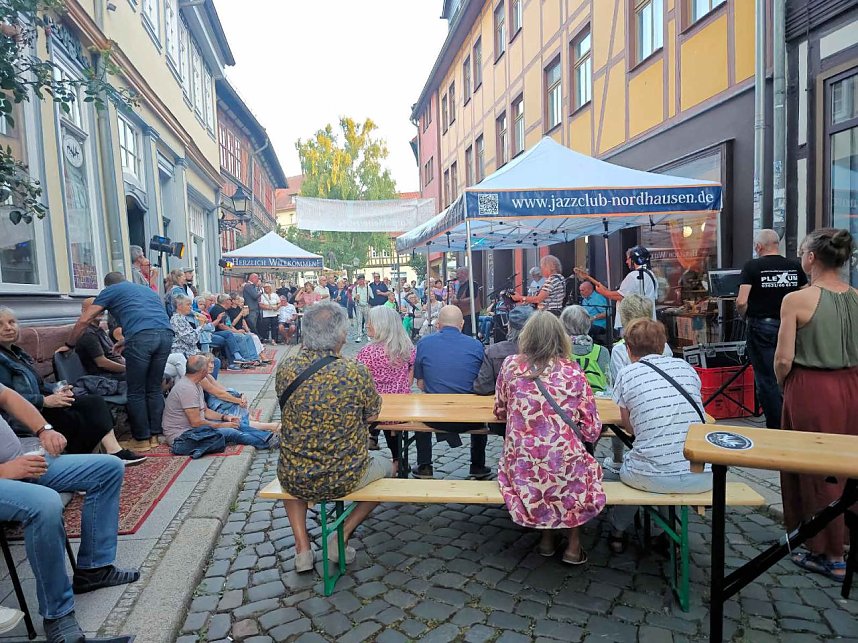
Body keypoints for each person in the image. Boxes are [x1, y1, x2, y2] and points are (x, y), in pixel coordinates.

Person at [0, 384, 139, 643]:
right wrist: (6, 471)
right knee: (45, 503)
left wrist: (44, 429)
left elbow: (7, 396)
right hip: (6, 473)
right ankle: (57, 614)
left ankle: (94, 569)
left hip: (22, 461)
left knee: (108, 467)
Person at [276, 302, 392, 572]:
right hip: (347, 473)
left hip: (296, 472)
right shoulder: (354, 372)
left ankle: (302, 548)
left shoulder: (286, 368)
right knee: (390, 467)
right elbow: (373, 414)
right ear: (341, 335)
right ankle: (341, 535)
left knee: (289, 478)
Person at [774, 228, 858, 582]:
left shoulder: (797, 300)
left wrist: (786, 385)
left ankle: (828, 551)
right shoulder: (857, 297)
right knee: (849, 467)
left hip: (812, 387)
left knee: (815, 471)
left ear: (811, 257)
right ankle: (846, 543)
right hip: (853, 385)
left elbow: (782, 359)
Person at [494, 311, 605, 564]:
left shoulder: (511, 365)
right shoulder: (573, 371)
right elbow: (590, 429)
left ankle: (546, 538)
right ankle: (573, 546)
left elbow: (500, 410)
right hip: (563, 461)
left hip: (522, 464)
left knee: (543, 469)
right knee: (576, 473)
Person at [608, 318, 711, 553]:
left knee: (638, 469)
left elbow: (630, 428)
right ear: (662, 344)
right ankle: (664, 532)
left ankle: (617, 530)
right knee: (666, 463)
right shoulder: (686, 369)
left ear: (628, 348)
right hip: (701, 473)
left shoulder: (628, 374)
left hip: (652, 475)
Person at [0, 307, 144, 464]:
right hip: (22, 417)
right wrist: (44, 401)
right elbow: (8, 399)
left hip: (40, 404)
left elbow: (38, 384)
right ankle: (81, 462)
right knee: (78, 416)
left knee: (93, 402)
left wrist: (58, 389)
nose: (8, 327)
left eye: (11, 322)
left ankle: (114, 451)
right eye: (0, 324)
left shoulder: (17, 353)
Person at [68, 272, 173, 450]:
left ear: (107, 285)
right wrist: (126, 340)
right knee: (154, 387)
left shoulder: (111, 291)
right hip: (166, 335)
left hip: (142, 338)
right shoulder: (145, 290)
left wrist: (69, 344)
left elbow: (85, 319)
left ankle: (142, 439)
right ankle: (157, 436)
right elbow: (150, 320)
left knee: (136, 390)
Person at [736, 229, 807, 429]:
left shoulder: (752, 266)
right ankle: (795, 422)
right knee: (793, 375)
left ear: (758, 247)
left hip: (762, 327)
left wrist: (745, 316)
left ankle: (777, 427)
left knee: (767, 379)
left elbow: (742, 301)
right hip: (792, 326)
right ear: (777, 244)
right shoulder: (794, 266)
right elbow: (806, 294)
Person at [412, 306, 491, 480]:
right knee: (480, 408)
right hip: (469, 419)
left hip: (435, 418)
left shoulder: (424, 343)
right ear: (462, 324)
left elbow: (420, 383)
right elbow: (482, 383)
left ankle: (424, 465)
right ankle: (477, 465)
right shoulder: (476, 345)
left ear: (438, 324)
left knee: (420, 410)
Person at [163, 355, 277, 458]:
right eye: (208, 367)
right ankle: (266, 442)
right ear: (203, 371)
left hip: (193, 430)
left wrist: (225, 417)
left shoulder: (195, 384)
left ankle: (269, 437)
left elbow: (206, 411)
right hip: (182, 437)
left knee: (236, 423)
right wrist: (222, 425)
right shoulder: (186, 388)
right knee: (232, 432)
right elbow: (196, 422)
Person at [356, 306, 416, 465]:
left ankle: (368, 452)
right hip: (400, 407)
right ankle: (398, 459)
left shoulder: (367, 352)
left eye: (371, 322)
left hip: (375, 409)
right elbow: (410, 378)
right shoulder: (407, 349)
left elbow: (360, 382)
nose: (367, 325)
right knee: (393, 430)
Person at [574, 245, 658, 330]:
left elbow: (619, 296)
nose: (626, 261)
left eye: (628, 258)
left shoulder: (633, 276)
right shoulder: (650, 275)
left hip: (633, 323)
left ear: (634, 259)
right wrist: (588, 277)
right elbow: (614, 293)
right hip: (646, 321)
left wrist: (603, 293)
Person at [473, 306, 534, 395]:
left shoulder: (494, 351)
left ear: (509, 326)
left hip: (503, 404)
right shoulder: (547, 351)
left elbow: (483, 387)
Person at [561, 305, 611, 394]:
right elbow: (608, 383)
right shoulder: (602, 352)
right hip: (597, 403)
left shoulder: (560, 351)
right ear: (588, 324)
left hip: (568, 401)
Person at [75, 297, 126, 379]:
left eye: (101, 308)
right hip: (105, 377)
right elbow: (102, 363)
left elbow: (114, 354)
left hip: (118, 371)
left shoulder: (99, 330)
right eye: (94, 308)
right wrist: (128, 369)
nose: (99, 310)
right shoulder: (88, 333)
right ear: (84, 311)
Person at [452, 266, 481, 336]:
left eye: (458, 273)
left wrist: (458, 301)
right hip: (463, 315)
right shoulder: (461, 286)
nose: (457, 276)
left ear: (463, 273)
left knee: (470, 334)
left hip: (470, 314)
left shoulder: (472, 284)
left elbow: (472, 298)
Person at [352, 274, 372, 342]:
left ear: (364, 280)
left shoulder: (368, 288)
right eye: (359, 280)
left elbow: (372, 296)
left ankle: (368, 335)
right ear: (357, 281)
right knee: (359, 321)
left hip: (366, 306)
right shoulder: (355, 288)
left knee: (367, 321)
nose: (361, 281)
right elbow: (352, 298)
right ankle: (359, 336)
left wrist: (370, 303)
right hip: (359, 306)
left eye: (362, 279)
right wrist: (355, 298)